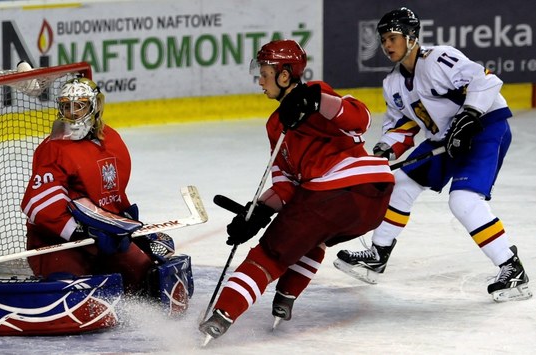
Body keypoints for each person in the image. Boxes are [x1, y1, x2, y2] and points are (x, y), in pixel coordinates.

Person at [198, 39, 395, 343]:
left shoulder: (316, 93)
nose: (259, 82)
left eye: (264, 74)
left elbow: (362, 119)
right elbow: (285, 185)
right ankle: (286, 297)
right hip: (372, 198)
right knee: (313, 235)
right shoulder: (275, 125)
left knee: (269, 254)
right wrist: (258, 211)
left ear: (285, 75)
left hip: (341, 188)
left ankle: (220, 317)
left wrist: (316, 100)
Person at [334, 7, 531, 302]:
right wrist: (384, 150)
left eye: (393, 38)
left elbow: (486, 80)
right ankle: (378, 255)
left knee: (463, 201)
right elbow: (402, 125)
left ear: (411, 37)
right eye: (383, 40)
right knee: (398, 183)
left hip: (484, 129)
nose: (387, 46)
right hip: (445, 139)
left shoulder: (439, 59)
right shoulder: (393, 83)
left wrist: (469, 116)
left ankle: (512, 269)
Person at [20, 77, 164, 295]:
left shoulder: (112, 140)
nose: (73, 113)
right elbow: (37, 204)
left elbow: (112, 192)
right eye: (66, 106)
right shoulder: (53, 148)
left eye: (80, 105)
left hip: (104, 237)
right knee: (68, 291)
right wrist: (81, 231)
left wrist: (124, 223)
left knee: (149, 279)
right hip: (59, 242)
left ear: (95, 106)